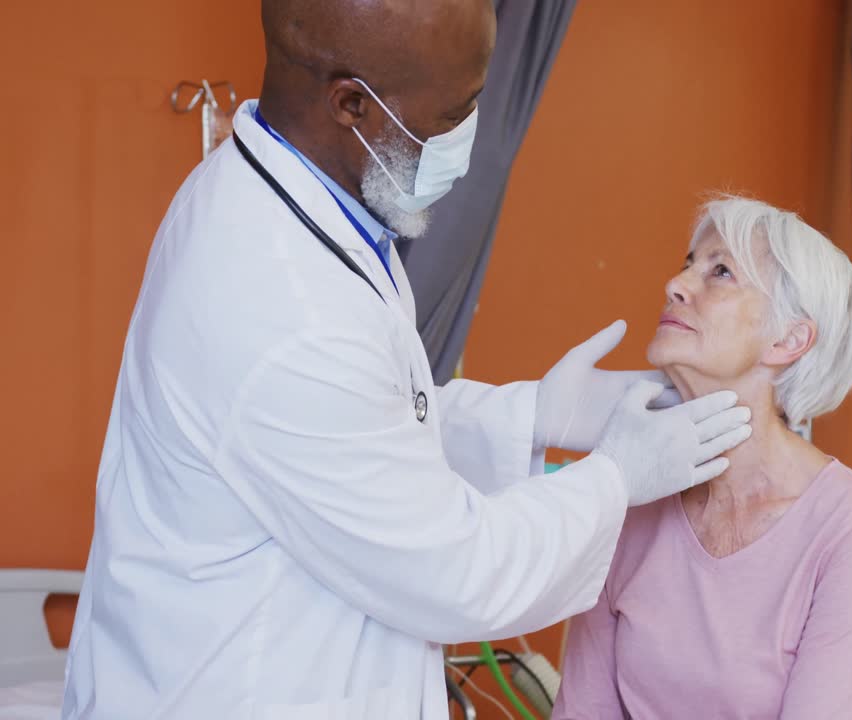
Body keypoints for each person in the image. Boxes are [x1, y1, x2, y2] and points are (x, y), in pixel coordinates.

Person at [59, 1, 752, 718]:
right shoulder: (279, 302)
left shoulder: (298, 199)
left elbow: (370, 417)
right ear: (352, 103)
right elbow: (458, 572)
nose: (466, 137)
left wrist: (537, 413)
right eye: (454, 112)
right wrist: (615, 478)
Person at [553, 196, 852, 719]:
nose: (677, 285)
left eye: (720, 271)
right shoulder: (629, 487)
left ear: (788, 339)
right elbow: (584, 710)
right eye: (687, 264)